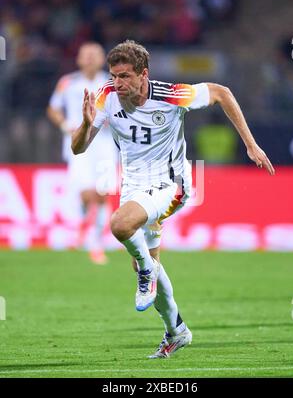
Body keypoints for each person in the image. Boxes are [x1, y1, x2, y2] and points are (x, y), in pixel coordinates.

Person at [71, 40, 275, 358]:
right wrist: (85, 124)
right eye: (113, 76)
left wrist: (250, 144)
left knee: (120, 225)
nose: (117, 83)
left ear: (144, 74)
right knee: (149, 259)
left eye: (124, 76)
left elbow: (222, 92)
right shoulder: (106, 97)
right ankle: (176, 330)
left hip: (172, 186)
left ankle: (145, 272)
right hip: (134, 188)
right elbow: (77, 149)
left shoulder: (171, 94)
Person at [47, 42, 118, 264]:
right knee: (88, 194)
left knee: (103, 194)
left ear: (101, 59)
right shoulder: (67, 82)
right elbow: (53, 108)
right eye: (85, 55)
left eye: (94, 55)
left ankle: (95, 240)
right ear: (78, 59)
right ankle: (89, 235)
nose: (89, 59)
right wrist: (65, 125)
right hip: (79, 144)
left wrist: (112, 121)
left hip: (105, 144)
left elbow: (123, 111)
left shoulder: (112, 84)